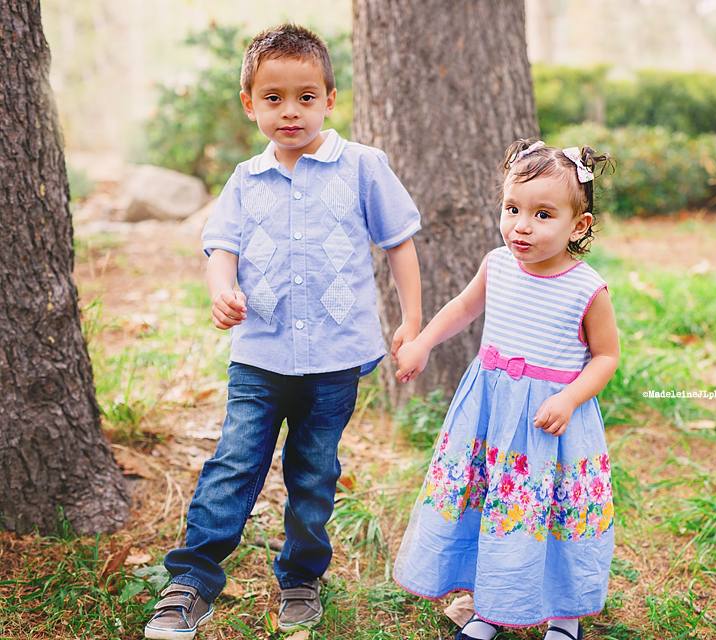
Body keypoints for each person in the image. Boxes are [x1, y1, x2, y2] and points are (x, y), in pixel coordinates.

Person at [144, 24, 422, 640]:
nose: (290, 111)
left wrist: (412, 322)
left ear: (328, 99)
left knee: (313, 471)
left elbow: (399, 243)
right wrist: (222, 290)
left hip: (335, 360)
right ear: (250, 104)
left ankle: (300, 578)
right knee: (234, 462)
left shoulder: (362, 167)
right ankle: (190, 580)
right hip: (260, 357)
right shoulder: (245, 179)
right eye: (273, 98)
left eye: (305, 96)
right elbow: (222, 246)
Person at [392, 139, 619, 640]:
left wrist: (570, 397)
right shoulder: (497, 265)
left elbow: (606, 357)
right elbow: (462, 309)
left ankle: (564, 616)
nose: (521, 225)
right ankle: (490, 607)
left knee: (548, 514)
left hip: (549, 423)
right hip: (491, 415)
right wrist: (424, 342)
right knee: (492, 510)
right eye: (512, 208)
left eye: (542, 214)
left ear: (577, 226)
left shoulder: (587, 288)